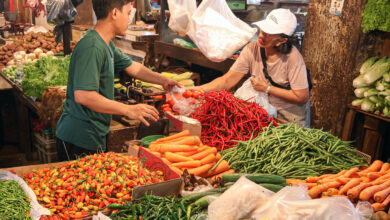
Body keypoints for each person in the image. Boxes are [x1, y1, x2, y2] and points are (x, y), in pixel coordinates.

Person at [56, 0, 179, 161]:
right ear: (114, 13)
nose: (129, 19)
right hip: (78, 138)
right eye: (128, 13)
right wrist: (128, 110)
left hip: (94, 135)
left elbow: (133, 67)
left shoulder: (106, 44)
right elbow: (84, 95)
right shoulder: (92, 46)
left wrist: (163, 80)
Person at [196, 8, 310, 126]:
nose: (262, 34)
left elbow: (301, 97)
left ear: (282, 40)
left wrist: (267, 88)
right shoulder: (251, 49)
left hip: (289, 113)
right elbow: (228, 79)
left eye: (270, 32)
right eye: (264, 28)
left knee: (286, 143)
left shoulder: (293, 58)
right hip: (263, 110)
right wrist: (199, 90)